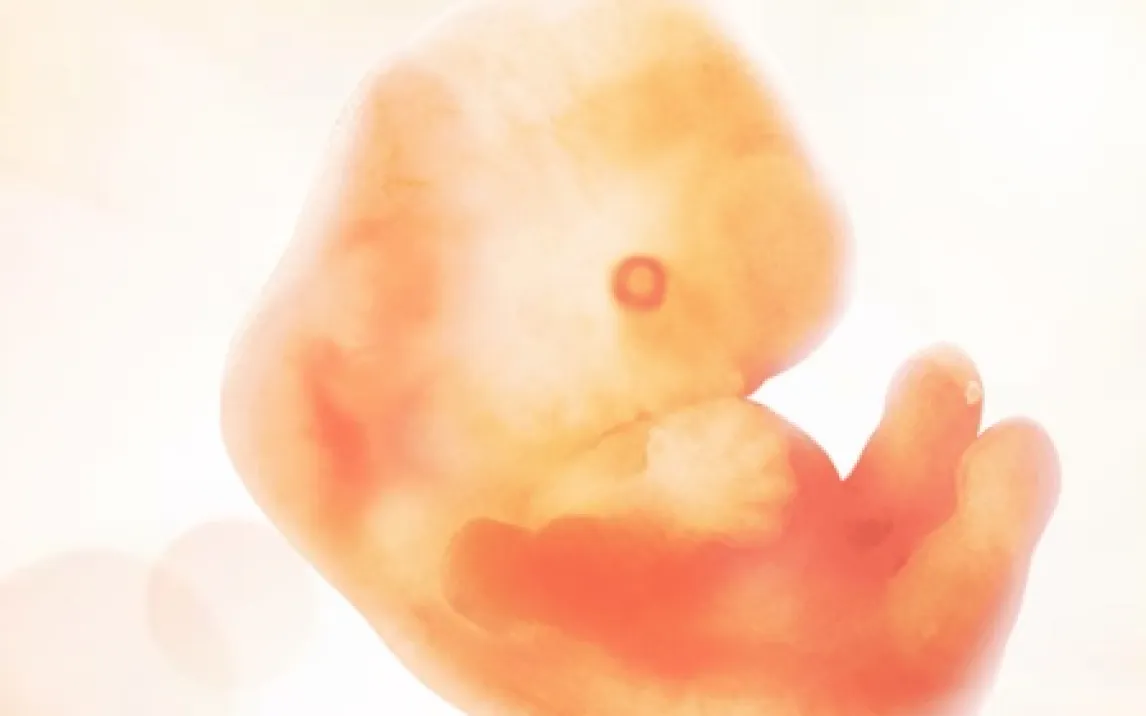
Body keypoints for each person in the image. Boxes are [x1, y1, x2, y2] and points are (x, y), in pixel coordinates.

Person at [220, 0, 1060, 713]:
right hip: (771, 679)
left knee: (947, 496)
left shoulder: (525, 440)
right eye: (651, 298)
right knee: (981, 507)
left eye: (743, 364)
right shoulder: (445, 518)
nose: (711, 385)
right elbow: (512, 585)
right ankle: (926, 547)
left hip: (808, 619)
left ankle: (897, 515)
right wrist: (671, 509)